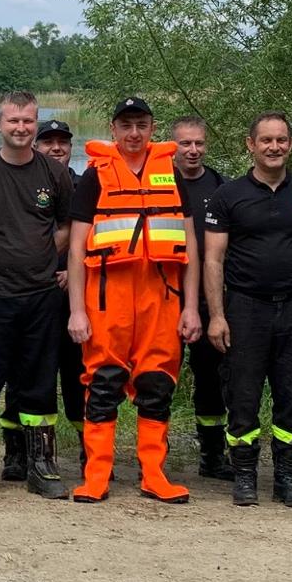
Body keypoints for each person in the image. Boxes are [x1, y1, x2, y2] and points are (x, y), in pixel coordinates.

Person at [66, 97, 202, 503]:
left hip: (162, 299)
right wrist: (76, 310)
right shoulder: (95, 177)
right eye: (126, 126)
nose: (134, 134)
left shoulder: (171, 175)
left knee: (157, 384)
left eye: (141, 125)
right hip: (107, 300)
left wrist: (191, 307)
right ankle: (97, 475)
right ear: (113, 130)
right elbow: (75, 251)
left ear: (152, 128)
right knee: (103, 384)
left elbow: (190, 246)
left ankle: (154, 474)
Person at [203, 112, 292, 507]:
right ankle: (244, 476)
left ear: (291, 144)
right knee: (242, 396)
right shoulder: (228, 195)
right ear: (251, 145)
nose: (274, 147)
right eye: (266, 140)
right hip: (245, 307)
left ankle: (288, 479)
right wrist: (216, 314)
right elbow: (213, 260)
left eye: (281, 140)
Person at [0, 91, 72, 501]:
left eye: (27, 121)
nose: (20, 128)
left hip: (41, 297)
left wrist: (40, 261)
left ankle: (42, 465)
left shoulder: (54, 175)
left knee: (38, 383)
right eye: (13, 121)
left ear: (35, 124)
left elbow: (65, 228)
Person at [169, 115, 232, 480]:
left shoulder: (222, 187)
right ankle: (153, 455)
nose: (193, 151)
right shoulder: (160, 184)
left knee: (212, 377)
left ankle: (212, 455)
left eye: (199, 143)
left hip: (209, 300)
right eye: (185, 144)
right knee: (158, 377)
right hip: (167, 297)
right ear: (172, 145)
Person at [35, 118, 88, 456]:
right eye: (48, 142)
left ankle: (92, 452)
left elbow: (101, 240)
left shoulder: (89, 186)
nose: (56, 148)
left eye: (63, 142)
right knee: (34, 376)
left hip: (78, 299)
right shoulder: (23, 185)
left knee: (79, 378)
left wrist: (77, 271)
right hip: (34, 295)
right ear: (36, 147)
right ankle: (32, 454)